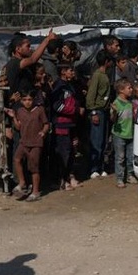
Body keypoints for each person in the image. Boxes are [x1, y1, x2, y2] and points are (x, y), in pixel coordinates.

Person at [50, 63, 83, 191]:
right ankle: (61, 180)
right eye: (70, 70)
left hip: (71, 123)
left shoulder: (69, 86)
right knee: (63, 152)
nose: (73, 73)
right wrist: (75, 110)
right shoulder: (59, 87)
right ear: (63, 72)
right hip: (61, 124)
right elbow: (57, 106)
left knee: (71, 150)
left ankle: (69, 176)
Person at [12, 90, 48, 201]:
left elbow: (46, 124)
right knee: (17, 159)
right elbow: (18, 127)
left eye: (30, 100)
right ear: (21, 101)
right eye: (25, 100)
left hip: (36, 142)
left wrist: (43, 132)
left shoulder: (39, 110)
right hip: (24, 141)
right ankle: (22, 182)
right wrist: (14, 117)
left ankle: (35, 191)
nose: (27, 102)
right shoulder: (20, 111)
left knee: (33, 166)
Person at [86, 50, 113, 178]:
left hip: (104, 111)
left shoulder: (104, 75)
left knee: (103, 141)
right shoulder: (97, 75)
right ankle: (94, 168)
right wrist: (93, 112)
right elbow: (91, 96)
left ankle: (101, 166)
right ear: (107, 62)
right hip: (98, 111)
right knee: (96, 141)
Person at [111, 78, 137, 187]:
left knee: (131, 156)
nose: (131, 90)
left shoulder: (130, 102)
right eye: (129, 88)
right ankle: (120, 178)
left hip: (130, 133)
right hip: (119, 135)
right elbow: (113, 120)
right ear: (121, 90)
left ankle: (130, 175)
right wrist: (114, 112)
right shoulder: (116, 103)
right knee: (120, 157)